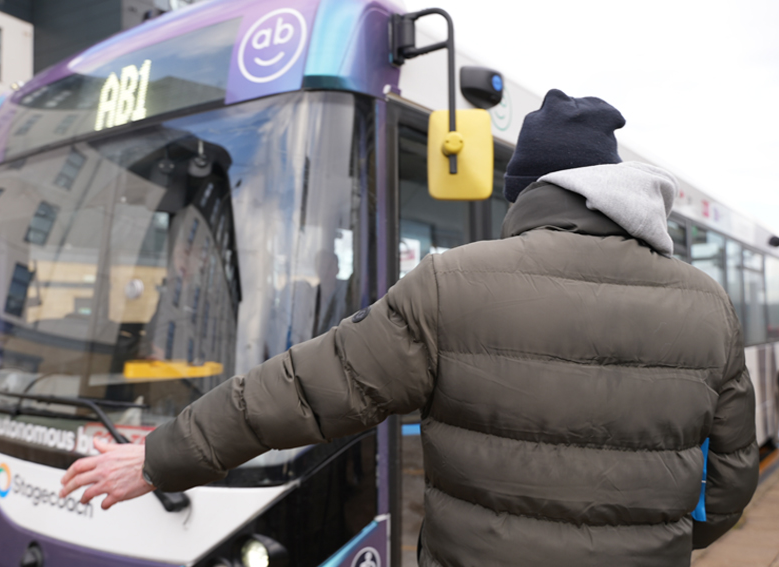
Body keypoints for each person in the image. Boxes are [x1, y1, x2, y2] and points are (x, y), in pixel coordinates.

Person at [61, 89, 758, 566]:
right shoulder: (707, 305)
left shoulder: (454, 282)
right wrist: (660, 538)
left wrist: (159, 457)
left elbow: (302, 389)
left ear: (527, 192)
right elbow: (728, 480)